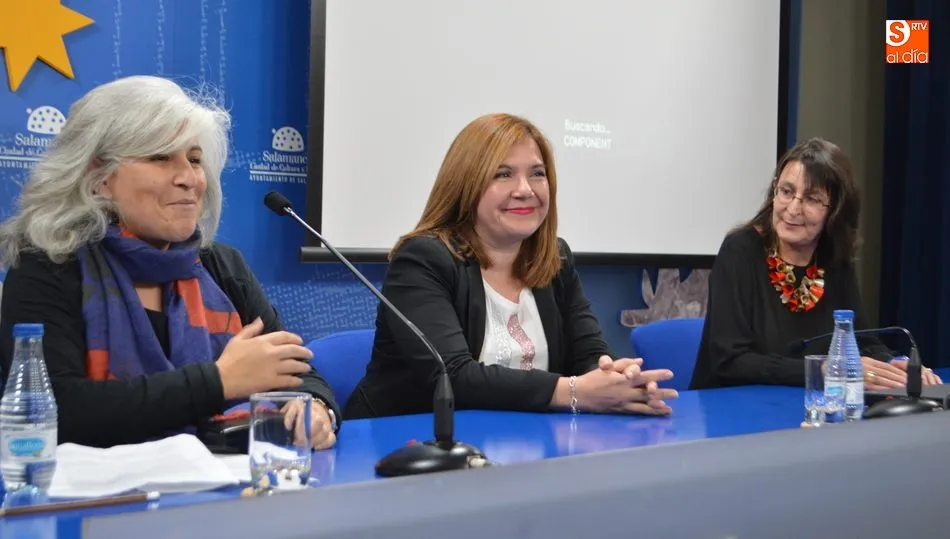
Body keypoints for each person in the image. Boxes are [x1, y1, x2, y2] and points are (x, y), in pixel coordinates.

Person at [0, 76, 340, 449]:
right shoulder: (48, 265)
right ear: (100, 178)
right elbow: (59, 412)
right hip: (97, 499)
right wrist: (219, 381)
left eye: (194, 160)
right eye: (160, 157)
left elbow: (297, 371)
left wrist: (317, 409)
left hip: (224, 490)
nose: (189, 178)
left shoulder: (222, 267)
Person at [344, 113, 678, 419]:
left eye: (537, 174)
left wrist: (614, 377)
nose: (525, 190)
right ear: (466, 185)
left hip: (526, 443)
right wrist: (576, 391)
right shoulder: (423, 259)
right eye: (503, 174)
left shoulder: (556, 257)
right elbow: (453, 376)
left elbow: (588, 352)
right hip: (408, 445)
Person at [690, 137, 942, 390]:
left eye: (811, 199)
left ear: (836, 211)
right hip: (732, 410)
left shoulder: (834, 258)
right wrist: (823, 369)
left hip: (811, 407)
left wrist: (897, 366)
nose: (792, 208)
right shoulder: (740, 251)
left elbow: (863, 342)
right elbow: (731, 361)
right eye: (787, 191)